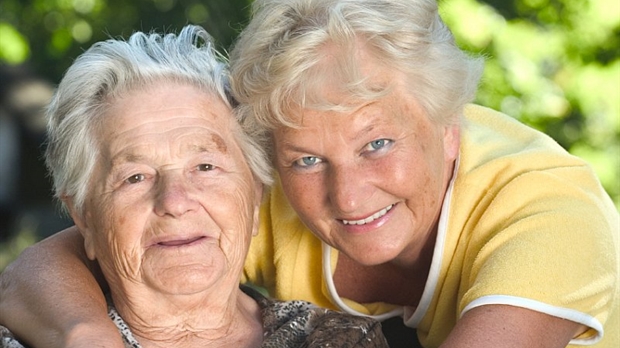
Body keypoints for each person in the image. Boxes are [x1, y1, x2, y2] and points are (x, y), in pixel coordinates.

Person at [0, 0, 618, 347]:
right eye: (306, 157)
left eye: (377, 143)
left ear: (448, 126)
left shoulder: (550, 213)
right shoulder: (271, 197)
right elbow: (64, 256)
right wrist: (88, 337)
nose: (346, 194)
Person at [0, 24, 389, 348]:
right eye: (135, 177)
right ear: (83, 218)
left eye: (205, 166)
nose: (175, 201)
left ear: (255, 195)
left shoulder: (339, 339)